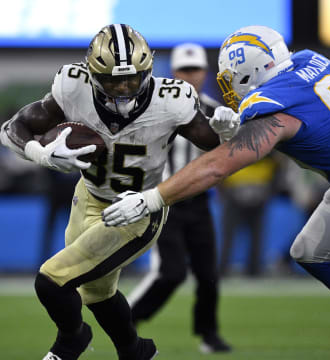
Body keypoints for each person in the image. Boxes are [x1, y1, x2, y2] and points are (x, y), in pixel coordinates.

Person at [0, 24, 238, 360]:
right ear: (92, 74)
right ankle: (136, 352)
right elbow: (12, 129)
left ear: (149, 70)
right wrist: (42, 153)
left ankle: (71, 340)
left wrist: (229, 134)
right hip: (89, 195)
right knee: (97, 293)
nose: (124, 88)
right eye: (113, 80)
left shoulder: (172, 100)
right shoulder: (72, 86)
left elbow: (215, 147)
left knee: (52, 280)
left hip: (138, 209)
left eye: (132, 78)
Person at [102, 25, 330, 331]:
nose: (228, 88)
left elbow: (219, 166)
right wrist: (232, 130)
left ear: (249, 73)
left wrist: (152, 198)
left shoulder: (277, 109)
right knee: (312, 252)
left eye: (230, 79)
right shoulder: (308, 61)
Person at [127, 43, 231, 353]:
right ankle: (126, 319)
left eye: (195, 69)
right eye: (184, 70)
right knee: (171, 272)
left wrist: (230, 131)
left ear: (205, 73)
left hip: (199, 202)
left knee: (209, 274)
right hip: (164, 199)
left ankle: (208, 334)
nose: (189, 76)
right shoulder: (155, 108)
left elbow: (229, 154)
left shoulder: (215, 110)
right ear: (173, 73)